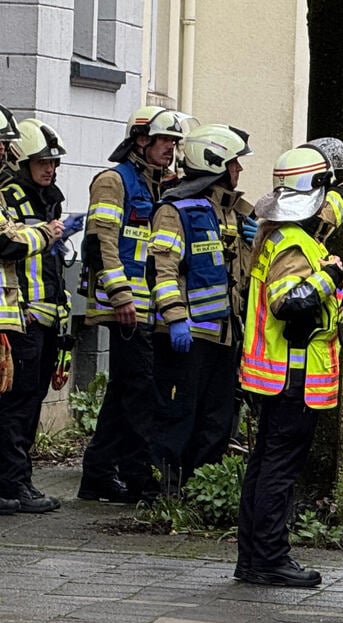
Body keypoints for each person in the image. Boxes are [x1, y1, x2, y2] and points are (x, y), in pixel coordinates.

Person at [235, 147, 343, 587]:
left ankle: (253, 559)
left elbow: (329, 212)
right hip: (293, 378)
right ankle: (269, 559)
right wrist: (329, 278)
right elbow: (288, 303)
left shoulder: (278, 233)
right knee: (278, 472)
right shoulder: (295, 244)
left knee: (265, 466)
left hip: (275, 375)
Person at [78, 106, 189, 504]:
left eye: (174, 142)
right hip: (124, 306)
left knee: (124, 390)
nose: (170, 149)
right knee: (139, 391)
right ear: (141, 140)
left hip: (145, 308)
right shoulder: (114, 181)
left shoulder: (156, 186)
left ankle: (97, 475)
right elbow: (101, 242)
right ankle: (138, 476)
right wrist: (121, 296)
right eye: (164, 141)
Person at [147, 123, 254, 492]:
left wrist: (255, 242)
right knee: (176, 416)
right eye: (234, 163)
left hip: (224, 337)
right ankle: (164, 491)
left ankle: (198, 489)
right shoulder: (174, 211)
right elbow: (162, 270)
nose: (239, 169)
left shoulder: (231, 212)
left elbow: (239, 274)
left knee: (216, 421)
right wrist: (175, 318)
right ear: (215, 164)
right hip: (186, 338)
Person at [0, 116, 68, 513]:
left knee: (29, 403)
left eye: (54, 162)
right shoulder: (9, 197)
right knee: (17, 405)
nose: (50, 169)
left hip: (43, 317)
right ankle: (14, 484)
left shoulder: (48, 199)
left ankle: (17, 481)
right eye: (43, 161)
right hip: (20, 317)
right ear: (23, 162)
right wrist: (46, 233)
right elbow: (9, 247)